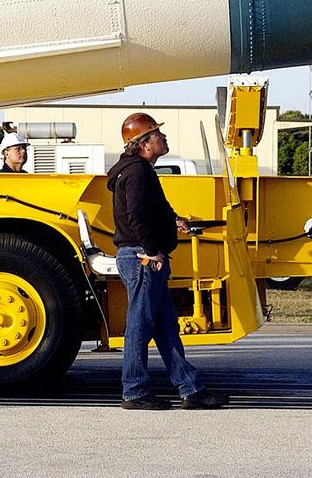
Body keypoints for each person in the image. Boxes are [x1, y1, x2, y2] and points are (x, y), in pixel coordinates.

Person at [108, 112, 227, 410]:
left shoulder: (137, 170)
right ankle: (134, 391)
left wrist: (174, 220)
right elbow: (136, 215)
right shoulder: (137, 172)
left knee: (164, 326)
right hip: (143, 258)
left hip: (141, 256)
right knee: (140, 324)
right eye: (158, 134)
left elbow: (152, 209)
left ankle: (190, 388)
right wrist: (152, 250)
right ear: (145, 143)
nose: (164, 137)